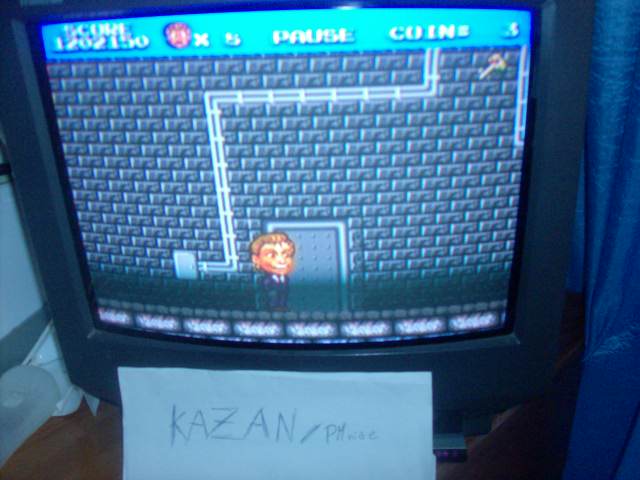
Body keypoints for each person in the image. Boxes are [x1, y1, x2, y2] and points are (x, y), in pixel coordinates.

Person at [250, 232, 295, 311]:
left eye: (287, 255)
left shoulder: (286, 279)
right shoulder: (262, 281)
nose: (281, 260)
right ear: (256, 259)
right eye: (272, 255)